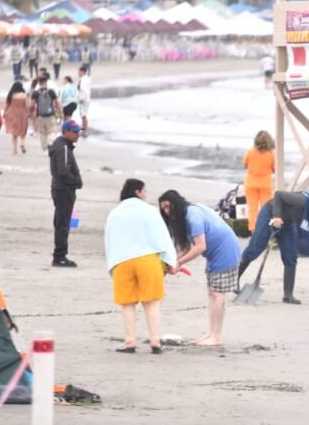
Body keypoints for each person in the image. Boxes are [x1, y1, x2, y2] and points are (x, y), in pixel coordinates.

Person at [158, 190, 240, 346]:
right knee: (211, 293)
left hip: (226, 250)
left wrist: (179, 263)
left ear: (177, 203)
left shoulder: (192, 216)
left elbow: (200, 247)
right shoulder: (184, 216)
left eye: (168, 207)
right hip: (214, 253)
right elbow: (185, 247)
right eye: (164, 209)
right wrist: (172, 262)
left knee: (217, 294)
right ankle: (210, 333)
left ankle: (216, 337)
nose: (167, 212)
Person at [105, 179, 177, 354]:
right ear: (137, 192)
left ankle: (130, 342)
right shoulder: (150, 211)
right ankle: (155, 342)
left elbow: (109, 240)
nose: (146, 194)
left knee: (127, 304)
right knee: (151, 303)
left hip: (122, 261)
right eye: (144, 191)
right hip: (147, 260)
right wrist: (170, 260)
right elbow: (163, 237)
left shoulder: (115, 213)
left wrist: (112, 265)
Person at [239, 191, 309, 304]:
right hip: (270, 213)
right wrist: (277, 216)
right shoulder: (301, 201)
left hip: (288, 224)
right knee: (254, 249)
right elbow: (278, 195)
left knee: (290, 255)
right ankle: (234, 280)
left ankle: (288, 295)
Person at [49, 120, 83, 268]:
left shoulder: (62, 146)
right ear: (66, 131)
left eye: (78, 131)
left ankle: (60, 255)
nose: (78, 134)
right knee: (62, 223)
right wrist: (75, 181)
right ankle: (60, 256)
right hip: (63, 190)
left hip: (60, 189)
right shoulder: (63, 147)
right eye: (75, 131)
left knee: (60, 222)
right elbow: (62, 171)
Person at [243, 130, 275, 232]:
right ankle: (265, 230)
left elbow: (245, 165)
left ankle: (253, 231)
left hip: (251, 183)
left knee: (252, 209)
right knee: (265, 209)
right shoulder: (271, 154)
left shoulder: (250, 152)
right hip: (265, 184)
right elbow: (274, 169)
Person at [30, 77, 61, 151]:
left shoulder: (35, 93)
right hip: (50, 115)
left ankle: (45, 148)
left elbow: (32, 105)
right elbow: (57, 103)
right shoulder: (51, 92)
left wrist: (30, 112)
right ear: (46, 82)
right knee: (52, 131)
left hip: (40, 115)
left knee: (42, 132)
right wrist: (60, 113)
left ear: (39, 83)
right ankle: (50, 144)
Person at [2, 82, 29, 155]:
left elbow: (7, 105)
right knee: (23, 130)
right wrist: (28, 114)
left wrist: (4, 114)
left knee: (14, 132)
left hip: (12, 114)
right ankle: (22, 143)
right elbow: (27, 106)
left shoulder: (10, 95)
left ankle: (14, 150)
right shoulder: (24, 96)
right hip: (22, 114)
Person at [77, 65, 91, 136]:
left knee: (83, 116)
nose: (78, 73)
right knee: (83, 115)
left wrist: (81, 99)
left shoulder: (83, 79)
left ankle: (84, 130)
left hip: (83, 100)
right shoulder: (88, 78)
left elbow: (83, 90)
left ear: (82, 72)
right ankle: (84, 130)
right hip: (87, 99)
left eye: (79, 71)